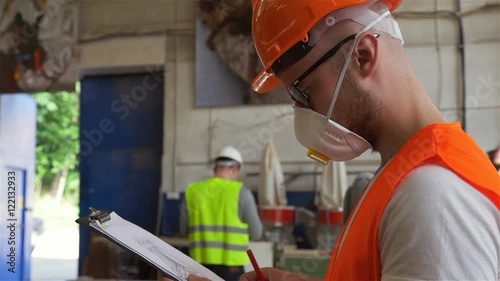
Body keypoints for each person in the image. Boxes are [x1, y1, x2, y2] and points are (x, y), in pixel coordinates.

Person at [188, 0, 500, 280]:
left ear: (363, 55)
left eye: (303, 92)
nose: (302, 112)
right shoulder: (403, 175)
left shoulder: (433, 197)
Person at [162, 146, 263, 281]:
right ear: (235, 169)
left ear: (216, 167)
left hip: (198, 268)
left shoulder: (193, 190)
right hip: (231, 270)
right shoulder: (241, 192)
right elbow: (256, 233)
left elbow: (183, 230)